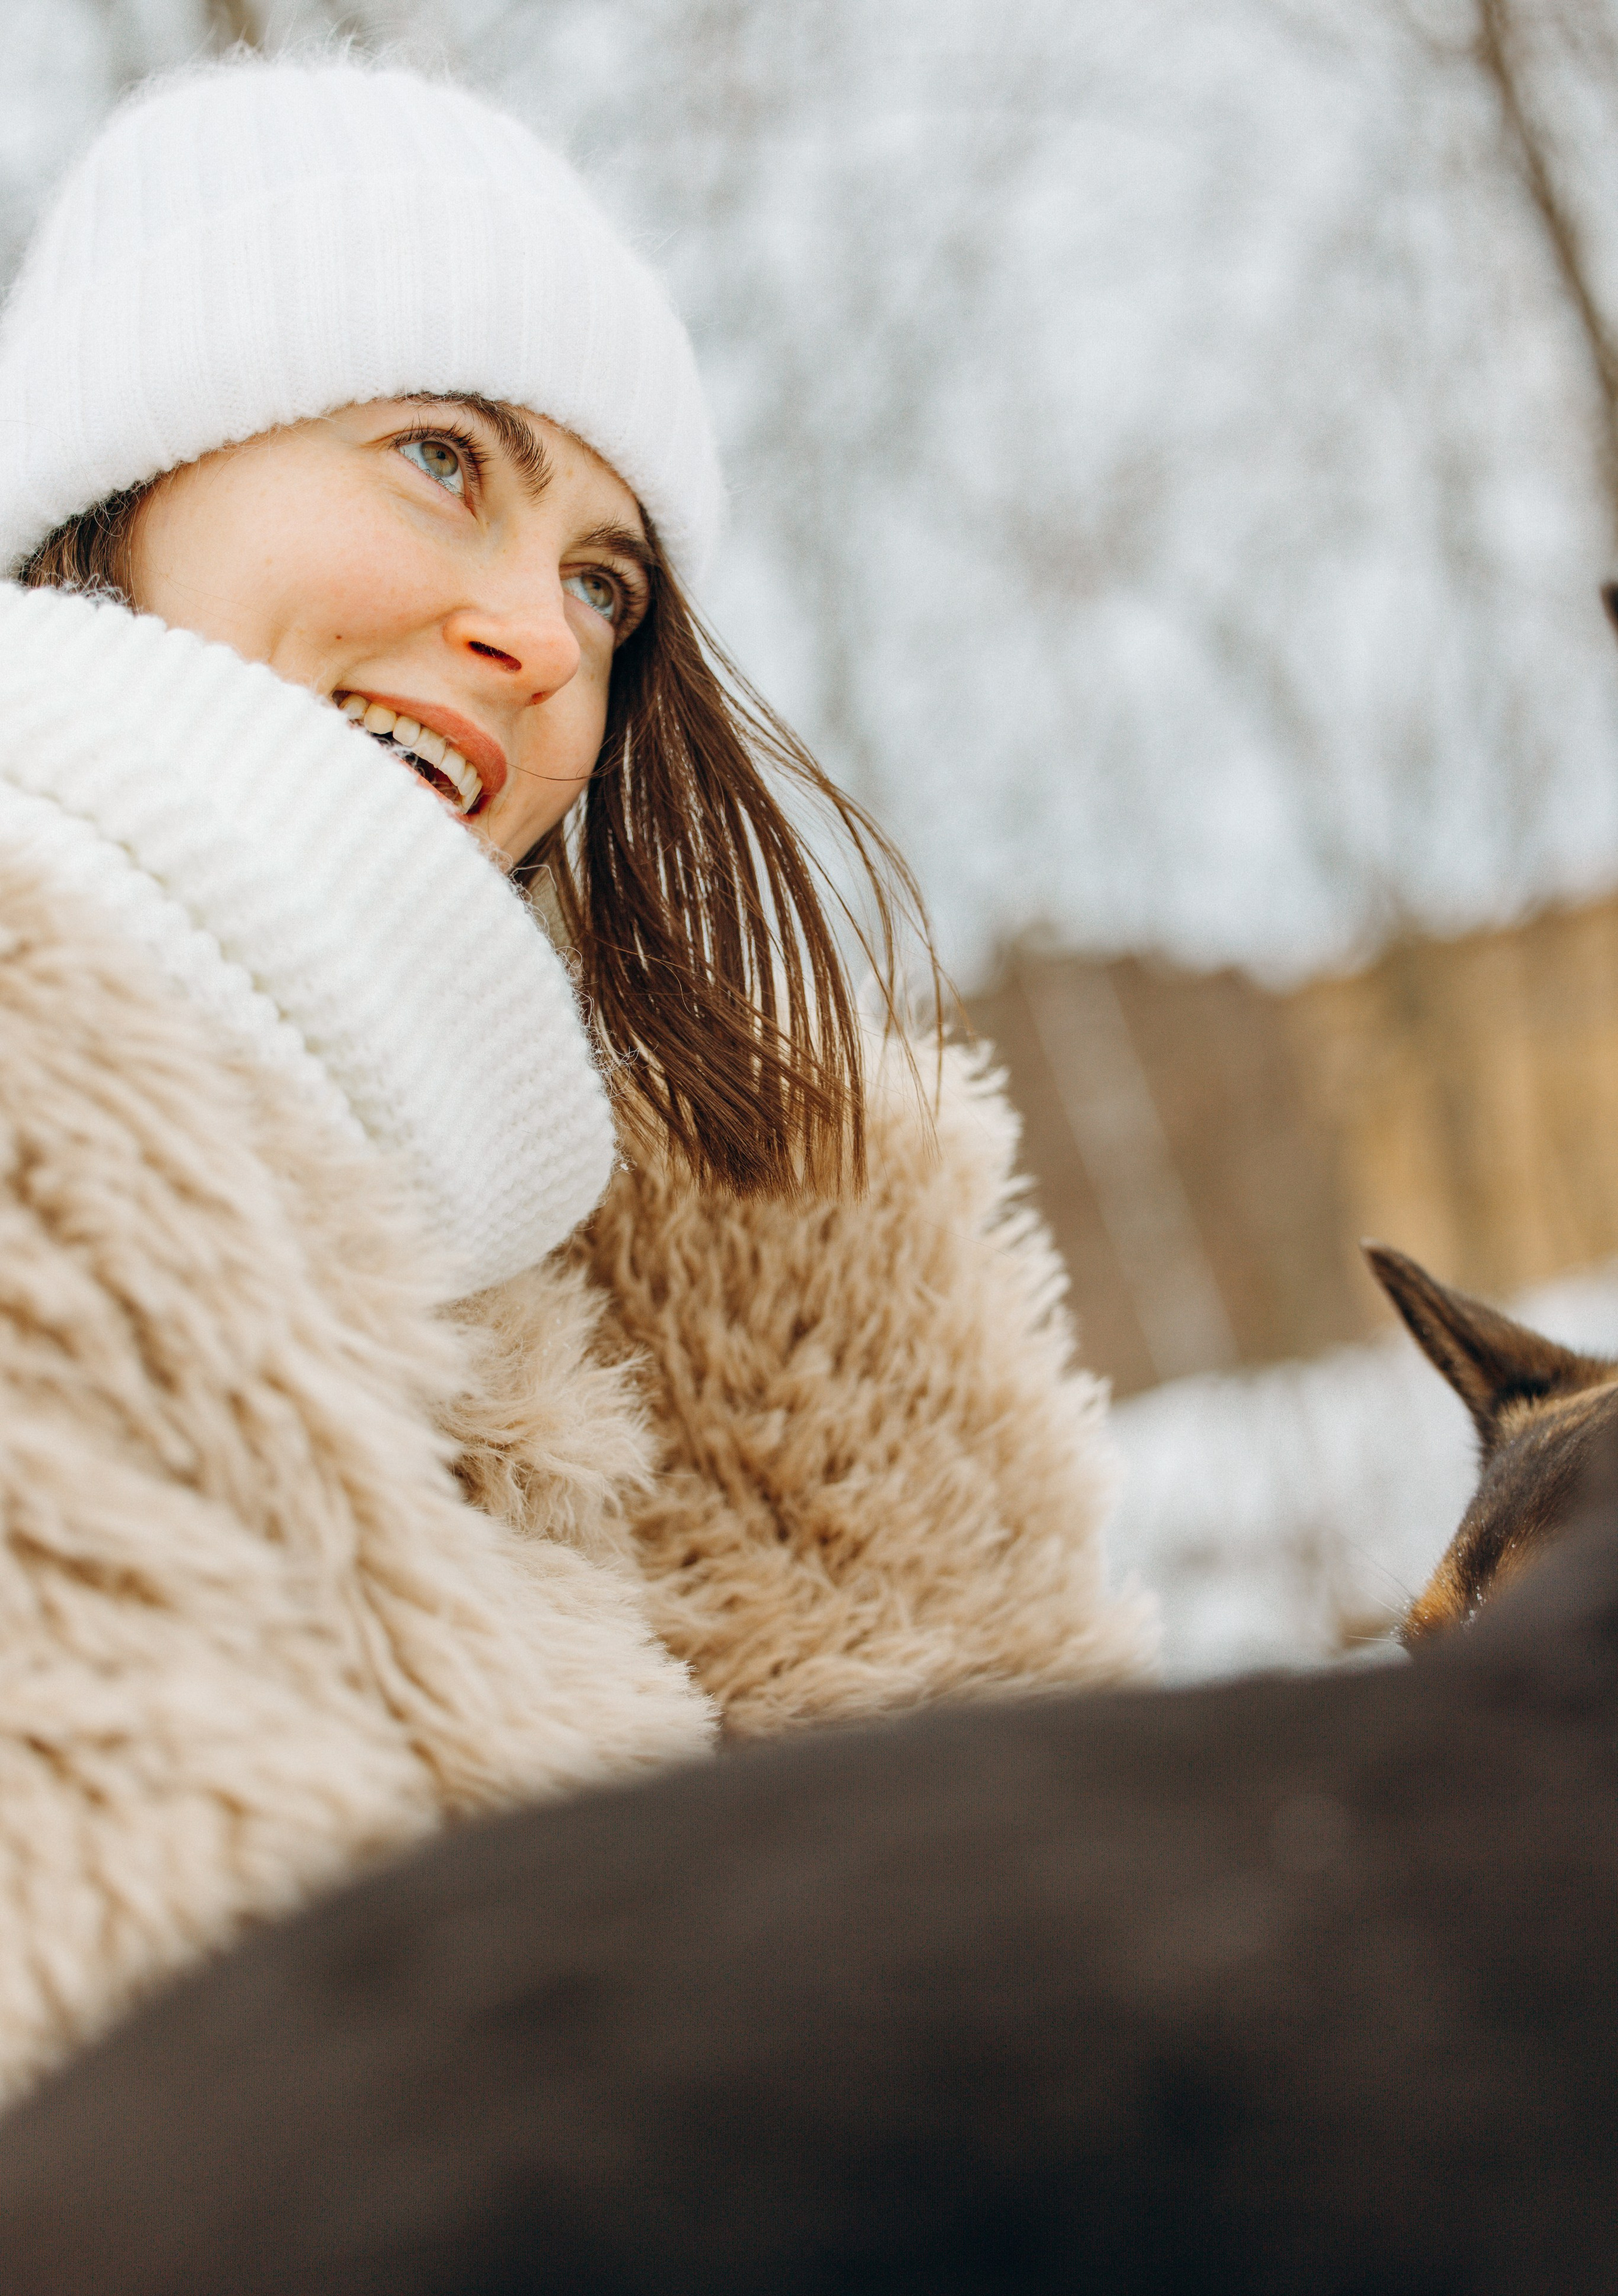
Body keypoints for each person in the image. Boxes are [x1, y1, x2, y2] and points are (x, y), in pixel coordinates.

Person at [0, 54, 1152, 2109]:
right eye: (441, 458)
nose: (542, 634)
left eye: (607, 583)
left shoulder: (697, 1247)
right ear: (123, 475)